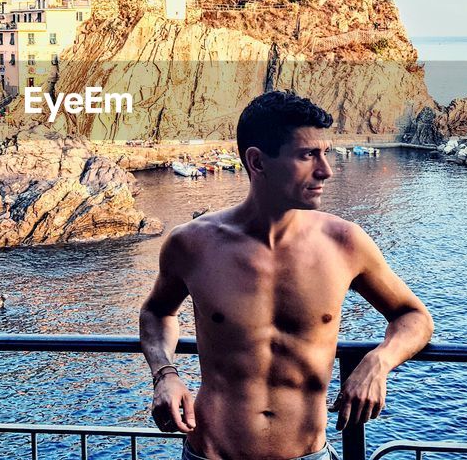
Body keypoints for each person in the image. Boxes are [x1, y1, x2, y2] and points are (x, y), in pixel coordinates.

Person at [140, 91, 433, 460]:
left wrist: (379, 361)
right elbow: (156, 313)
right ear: (257, 162)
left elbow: (414, 316)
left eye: (325, 153)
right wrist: (164, 373)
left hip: (307, 454)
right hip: (212, 453)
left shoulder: (345, 243)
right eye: (308, 155)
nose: (326, 170)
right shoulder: (193, 244)